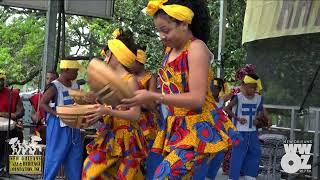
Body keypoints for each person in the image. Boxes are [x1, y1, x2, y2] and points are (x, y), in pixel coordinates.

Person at [121, 0, 232, 178]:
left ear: (184, 23)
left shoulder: (196, 48)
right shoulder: (169, 51)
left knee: (162, 176)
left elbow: (197, 99)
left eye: (166, 30)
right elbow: (168, 91)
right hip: (175, 126)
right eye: (159, 31)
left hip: (198, 128)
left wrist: (155, 96)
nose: (162, 36)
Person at [82, 29, 147, 179]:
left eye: (108, 54)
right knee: (90, 170)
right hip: (110, 135)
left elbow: (135, 114)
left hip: (128, 139)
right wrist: (94, 102)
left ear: (116, 57)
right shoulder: (109, 82)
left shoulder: (130, 80)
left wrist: (107, 110)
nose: (105, 58)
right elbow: (107, 109)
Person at [40, 60, 82, 180]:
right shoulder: (54, 86)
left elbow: (78, 102)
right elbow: (42, 103)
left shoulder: (76, 85)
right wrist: (57, 114)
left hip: (74, 126)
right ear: (66, 70)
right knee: (54, 159)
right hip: (58, 126)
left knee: (75, 159)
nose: (77, 73)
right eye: (75, 70)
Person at [224, 73, 266, 180]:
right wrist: (237, 118)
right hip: (239, 131)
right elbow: (226, 109)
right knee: (238, 154)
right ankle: (233, 177)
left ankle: (250, 176)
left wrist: (260, 119)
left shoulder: (258, 98)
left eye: (254, 87)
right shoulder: (238, 97)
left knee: (255, 152)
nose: (252, 89)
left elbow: (261, 112)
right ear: (244, 86)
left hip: (252, 131)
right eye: (250, 87)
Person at [0, 69, 25, 171]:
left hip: (10, 128)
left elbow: (20, 112)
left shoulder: (13, 93)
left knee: (15, 134)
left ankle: (4, 164)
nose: (0, 82)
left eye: (2, 80)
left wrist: (3, 114)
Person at [29, 71, 58, 144]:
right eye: (47, 78)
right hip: (40, 130)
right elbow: (32, 114)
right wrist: (35, 117)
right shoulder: (37, 97)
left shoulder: (60, 97)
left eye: (52, 79)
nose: (49, 81)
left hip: (55, 130)